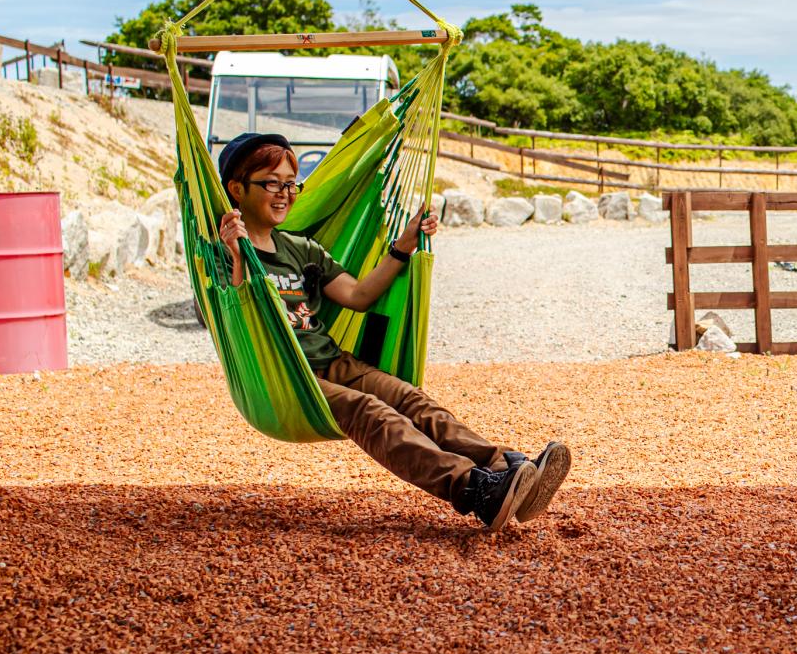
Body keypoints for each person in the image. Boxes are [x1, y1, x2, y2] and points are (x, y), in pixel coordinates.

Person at [215, 132, 571, 531]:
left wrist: (404, 246)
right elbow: (237, 317)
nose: (284, 193)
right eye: (271, 183)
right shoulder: (219, 254)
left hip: (333, 363)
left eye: (290, 183)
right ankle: (475, 489)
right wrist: (237, 255)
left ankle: (507, 467)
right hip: (286, 377)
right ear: (237, 188)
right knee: (372, 413)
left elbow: (358, 294)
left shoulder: (301, 249)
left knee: (412, 400)